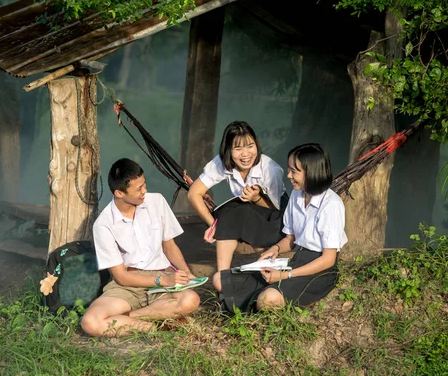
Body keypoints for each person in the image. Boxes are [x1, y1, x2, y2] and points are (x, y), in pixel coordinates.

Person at [220, 143, 347, 311]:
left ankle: (261, 299)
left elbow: (328, 259)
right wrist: (275, 249)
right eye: (289, 169)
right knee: (219, 279)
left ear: (312, 172)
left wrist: (285, 275)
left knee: (267, 299)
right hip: (296, 261)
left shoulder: (331, 204)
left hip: (320, 271)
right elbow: (290, 239)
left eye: (295, 171)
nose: (289, 175)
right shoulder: (297, 194)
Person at [81, 158, 201, 337]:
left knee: (191, 300)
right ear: (119, 193)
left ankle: (131, 317)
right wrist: (160, 280)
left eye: (144, 184)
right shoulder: (103, 224)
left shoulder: (157, 201)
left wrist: (186, 273)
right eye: (138, 189)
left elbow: (169, 246)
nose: (144, 191)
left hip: (163, 276)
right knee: (90, 322)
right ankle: (156, 327)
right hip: (128, 284)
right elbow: (121, 276)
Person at [187, 121, 287, 292]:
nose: (246, 154)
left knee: (234, 212)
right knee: (227, 214)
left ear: (257, 145)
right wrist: (213, 226)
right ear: (228, 150)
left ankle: (270, 273)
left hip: (276, 218)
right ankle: (223, 277)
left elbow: (276, 209)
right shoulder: (221, 163)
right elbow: (193, 194)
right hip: (246, 213)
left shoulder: (270, 169)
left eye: (250, 146)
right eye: (238, 148)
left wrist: (257, 198)